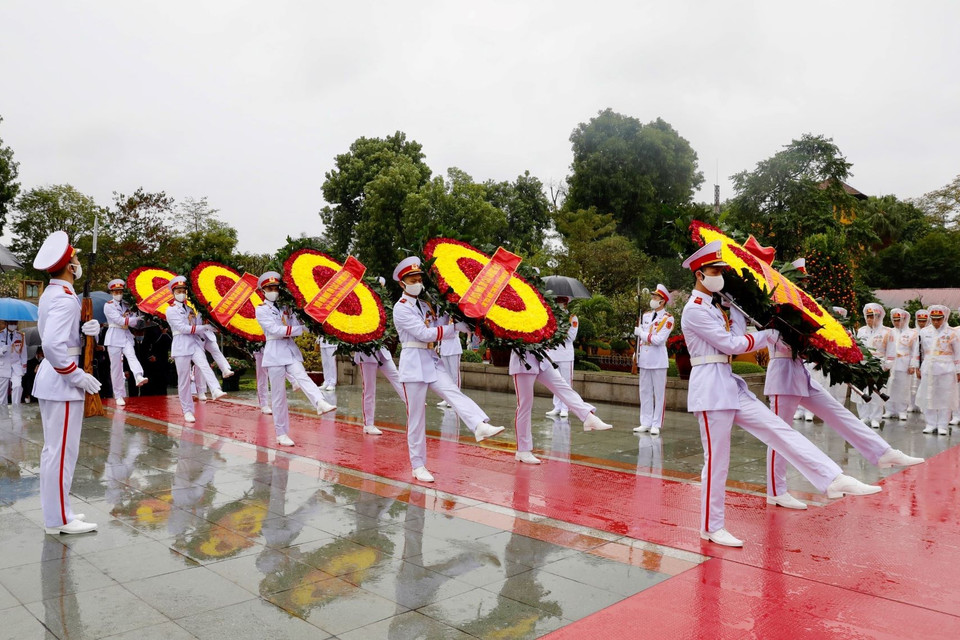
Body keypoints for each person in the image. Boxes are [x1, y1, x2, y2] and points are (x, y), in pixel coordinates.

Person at [680, 240, 880, 548]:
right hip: (710, 388)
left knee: (779, 430)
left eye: (721, 271)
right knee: (717, 461)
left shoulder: (716, 306)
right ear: (699, 274)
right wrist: (768, 334)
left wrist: (737, 311)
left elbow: (736, 336)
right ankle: (711, 526)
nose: (720, 276)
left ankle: (832, 478)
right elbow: (731, 345)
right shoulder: (694, 310)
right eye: (715, 271)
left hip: (729, 383)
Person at [764, 330, 922, 509]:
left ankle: (882, 452)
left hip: (800, 372)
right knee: (780, 436)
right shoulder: (773, 318)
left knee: (838, 412)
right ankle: (776, 492)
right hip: (782, 376)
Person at [392, 257, 505, 482]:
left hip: (431, 360)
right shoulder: (401, 308)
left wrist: (464, 317)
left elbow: (441, 324)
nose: (417, 283)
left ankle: (479, 425)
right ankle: (418, 465)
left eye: (419, 279)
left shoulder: (426, 305)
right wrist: (453, 329)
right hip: (413, 363)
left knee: (453, 392)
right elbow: (424, 334)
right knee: (416, 418)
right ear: (402, 283)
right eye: (412, 280)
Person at [32, 230, 101, 534]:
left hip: (54, 378)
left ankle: (60, 511)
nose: (78, 262)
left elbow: (60, 335)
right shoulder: (64, 298)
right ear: (70, 267)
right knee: (61, 453)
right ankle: (59, 519)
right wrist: (77, 375)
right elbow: (52, 345)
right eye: (75, 259)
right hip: (62, 381)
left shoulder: (54, 293)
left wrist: (86, 330)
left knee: (56, 452)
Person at [254, 271, 336, 446]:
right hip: (275, 353)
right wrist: (300, 330)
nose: (273, 291)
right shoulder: (261, 309)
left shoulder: (287, 307)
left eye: (276, 288)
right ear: (263, 290)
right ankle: (281, 433)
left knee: (302, 376)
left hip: (290, 350)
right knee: (279, 397)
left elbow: (297, 323)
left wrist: (307, 322)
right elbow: (275, 330)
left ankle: (320, 402)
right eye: (270, 288)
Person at [510, 348, 613, 464]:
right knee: (525, 405)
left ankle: (588, 417)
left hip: (542, 358)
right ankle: (523, 450)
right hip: (523, 361)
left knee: (562, 386)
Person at [165, 275, 226, 423]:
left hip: (194, 343)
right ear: (173, 292)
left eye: (183, 291)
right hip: (181, 345)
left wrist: (208, 323)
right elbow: (183, 328)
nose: (181, 293)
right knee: (184, 380)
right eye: (178, 291)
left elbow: (196, 324)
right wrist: (203, 328)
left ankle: (215, 389)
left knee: (204, 365)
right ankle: (187, 410)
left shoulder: (190, 309)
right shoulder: (171, 310)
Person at [633, 285, 674, 436]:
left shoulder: (668, 318)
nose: (653, 300)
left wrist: (641, 334)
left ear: (662, 301)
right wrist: (637, 353)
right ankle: (645, 422)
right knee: (644, 391)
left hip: (658, 360)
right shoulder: (646, 316)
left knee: (659, 393)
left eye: (655, 297)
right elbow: (642, 340)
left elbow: (659, 340)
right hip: (644, 358)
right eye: (653, 297)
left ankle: (656, 424)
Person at [102, 279, 148, 406]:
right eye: (116, 292)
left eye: (120, 291)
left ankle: (138, 375)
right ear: (111, 292)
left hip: (126, 335)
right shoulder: (108, 305)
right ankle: (119, 395)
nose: (118, 294)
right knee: (116, 367)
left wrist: (137, 316)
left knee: (132, 355)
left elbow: (133, 321)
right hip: (114, 336)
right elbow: (120, 320)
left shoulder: (127, 305)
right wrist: (134, 319)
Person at [915, 305, 960, 435]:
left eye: (939, 319)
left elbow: (958, 353)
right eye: (933, 319)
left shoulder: (952, 333)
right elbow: (919, 351)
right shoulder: (924, 332)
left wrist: (958, 371)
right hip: (929, 367)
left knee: (945, 397)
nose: (936, 322)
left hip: (947, 368)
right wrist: (917, 366)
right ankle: (930, 423)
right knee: (929, 395)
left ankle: (942, 425)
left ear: (944, 318)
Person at [353, 347, 404, 435]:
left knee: (396, 377)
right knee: (369, 389)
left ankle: (412, 402)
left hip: (382, 351)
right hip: (366, 354)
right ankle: (368, 424)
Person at [855, 303, 891, 428]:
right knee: (862, 391)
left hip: (879, 365)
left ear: (879, 317)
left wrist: (887, 366)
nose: (870, 319)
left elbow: (891, 351)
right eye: (868, 316)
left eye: (873, 316)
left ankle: (876, 417)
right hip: (863, 365)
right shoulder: (861, 331)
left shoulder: (887, 332)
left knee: (877, 392)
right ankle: (864, 416)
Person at [545, 296, 577, 418]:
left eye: (561, 302)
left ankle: (565, 408)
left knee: (566, 383)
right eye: (557, 301)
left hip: (565, 355)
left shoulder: (572, 318)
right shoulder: (552, 317)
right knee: (555, 382)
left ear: (566, 303)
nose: (559, 304)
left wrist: (560, 331)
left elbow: (571, 337)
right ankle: (557, 406)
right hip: (553, 354)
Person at [885, 308, 918, 420]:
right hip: (890, 364)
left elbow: (915, 351)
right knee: (889, 387)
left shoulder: (912, 333)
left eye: (899, 320)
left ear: (905, 320)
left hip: (904, 363)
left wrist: (912, 365)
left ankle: (902, 410)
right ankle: (889, 410)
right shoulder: (889, 332)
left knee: (903, 388)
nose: (896, 322)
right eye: (894, 320)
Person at [436, 313, 469, 408]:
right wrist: (438, 345)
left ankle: (456, 398)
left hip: (454, 348)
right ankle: (447, 398)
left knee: (455, 374)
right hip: (444, 348)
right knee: (446, 375)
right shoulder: (442, 318)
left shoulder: (456, 317)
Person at [0, 320, 27, 405]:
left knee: (17, 386)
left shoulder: (20, 336)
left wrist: (24, 368)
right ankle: (2, 412)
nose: (13, 325)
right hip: (3, 366)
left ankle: (16, 408)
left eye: (15, 323)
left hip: (16, 366)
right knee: (2, 392)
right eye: (11, 323)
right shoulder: (0, 334)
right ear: (6, 323)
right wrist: (1, 350)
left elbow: (23, 353)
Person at [911, 309, 929, 412]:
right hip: (914, 360)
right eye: (920, 321)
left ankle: (923, 405)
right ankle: (912, 404)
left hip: (926, 360)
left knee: (925, 385)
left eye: (924, 321)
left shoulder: (929, 332)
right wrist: (914, 364)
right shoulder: (912, 332)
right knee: (913, 384)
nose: (922, 323)